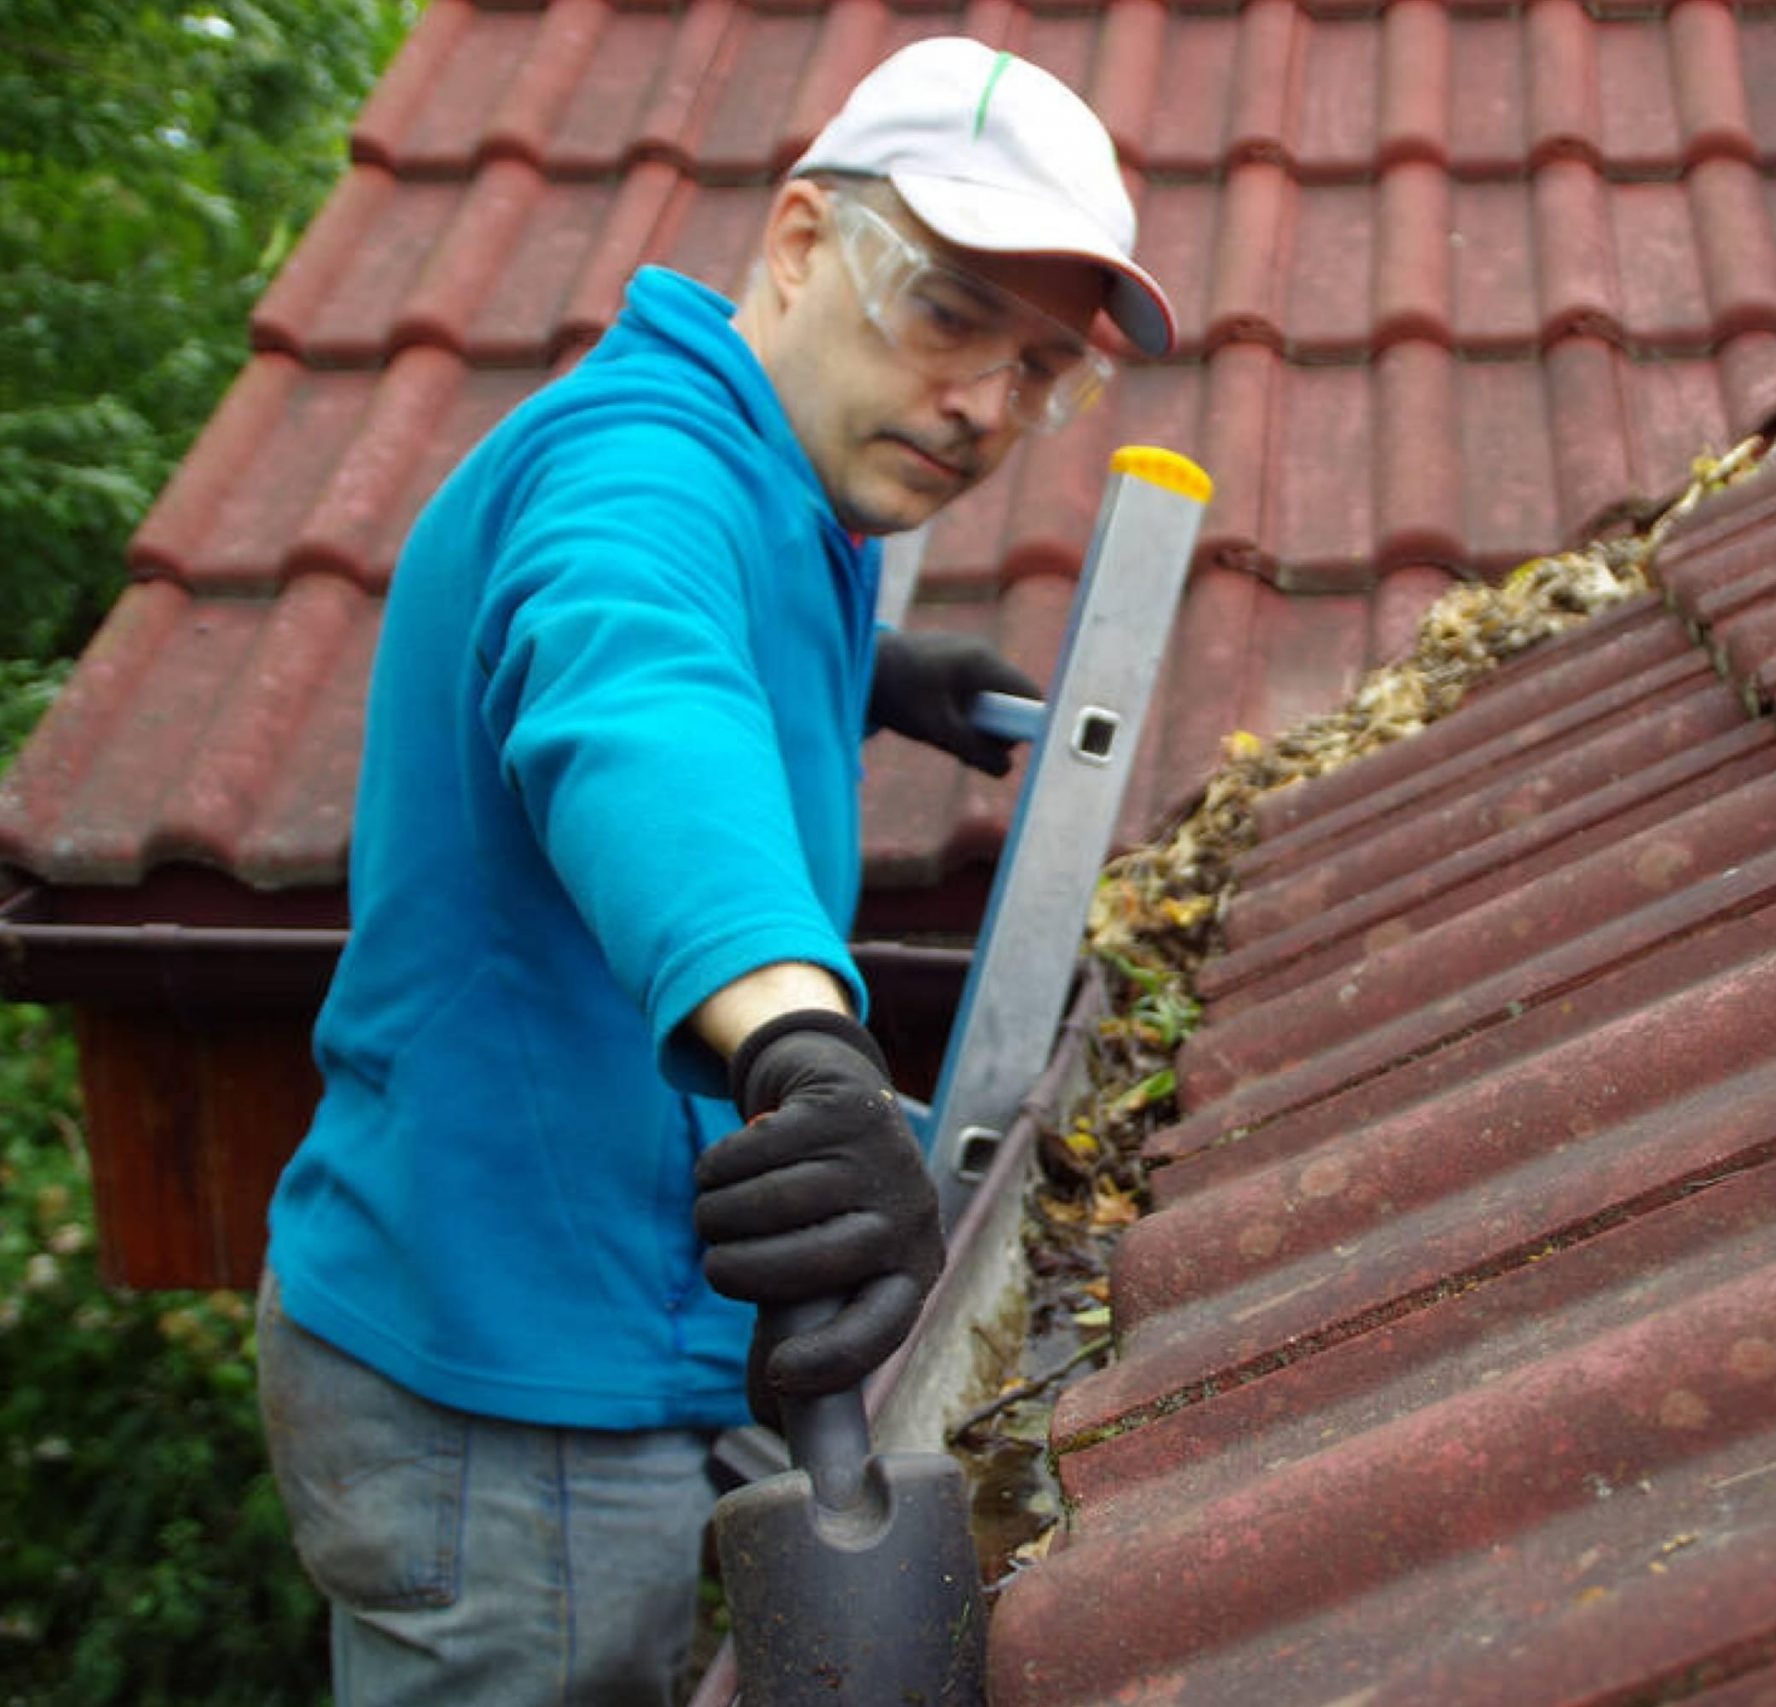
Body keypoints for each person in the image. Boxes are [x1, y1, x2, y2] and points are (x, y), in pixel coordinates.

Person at [253, 37, 1174, 1705]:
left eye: (1043, 367)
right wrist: (801, 1045)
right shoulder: (640, 468)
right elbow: (633, 698)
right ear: (806, 244)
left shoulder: (786, 489)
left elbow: (701, 654)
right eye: (951, 313)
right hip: (503, 1377)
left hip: (608, 1313)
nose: (986, 405)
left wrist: (866, 678)